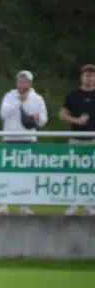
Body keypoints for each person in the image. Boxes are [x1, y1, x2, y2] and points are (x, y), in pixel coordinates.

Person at [0, 70, 48, 215]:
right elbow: (3, 114)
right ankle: (4, 204)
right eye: (20, 80)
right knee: (7, 173)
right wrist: (19, 102)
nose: (22, 83)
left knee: (26, 174)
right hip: (10, 139)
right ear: (16, 81)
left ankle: (24, 205)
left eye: (25, 81)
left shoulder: (37, 98)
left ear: (30, 83)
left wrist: (36, 117)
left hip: (28, 139)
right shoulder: (9, 96)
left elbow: (44, 120)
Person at [59, 64, 95, 216]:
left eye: (92, 75)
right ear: (82, 76)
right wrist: (75, 120)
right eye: (86, 75)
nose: (89, 78)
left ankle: (89, 204)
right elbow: (62, 114)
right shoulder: (74, 95)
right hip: (76, 138)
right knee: (72, 172)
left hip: (93, 139)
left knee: (91, 174)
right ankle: (72, 204)